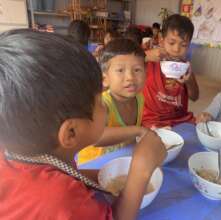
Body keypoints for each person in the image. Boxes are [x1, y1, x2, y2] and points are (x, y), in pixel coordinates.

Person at [0, 29, 166, 220]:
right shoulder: (62, 199)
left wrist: (106, 176)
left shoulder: (15, 151)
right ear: (71, 133)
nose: (104, 108)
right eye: (99, 104)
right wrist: (141, 170)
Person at [78, 38, 148, 164]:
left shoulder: (139, 98)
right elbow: (95, 137)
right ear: (105, 79)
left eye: (137, 70)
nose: (130, 78)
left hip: (120, 159)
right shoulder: (103, 104)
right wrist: (138, 131)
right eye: (120, 70)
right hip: (93, 164)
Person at [142, 14, 199, 128]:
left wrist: (189, 81)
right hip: (152, 120)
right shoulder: (149, 58)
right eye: (171, 43)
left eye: (183, 45)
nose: (176, 49)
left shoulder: (185, 67)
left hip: (180, 120)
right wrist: (145, 56)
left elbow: (195, 97)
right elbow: (122, 60)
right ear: (161, 40)